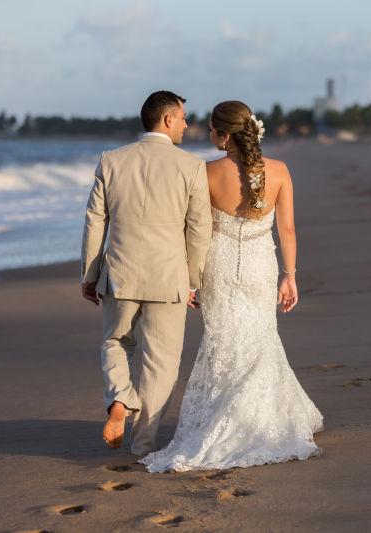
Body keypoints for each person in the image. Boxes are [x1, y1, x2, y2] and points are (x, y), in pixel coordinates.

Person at [139, 100, 324, 472]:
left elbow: (194, 231)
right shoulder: (280, 171)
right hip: (260, 266)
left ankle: (226, 420)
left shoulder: (204, 173)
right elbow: (286, 230)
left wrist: (190, 279)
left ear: (224, 134)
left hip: (218, 267)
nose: (208, 135)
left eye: (211, 129)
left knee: (222, 341)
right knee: (259, 338)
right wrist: (289, 275)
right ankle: (260, 419)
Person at [80, 90, 212, 454]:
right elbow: (199, 231)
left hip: (120, 274)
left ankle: (121, 401)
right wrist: (192, 282)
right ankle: (143, 445)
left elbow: (95, 223)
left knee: (115, 342)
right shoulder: (191, 166)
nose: (186, 124)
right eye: (183, 117)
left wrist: (89, 275)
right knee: (162, 363)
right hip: (169, 279)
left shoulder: (112, 160)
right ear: (167, 119)